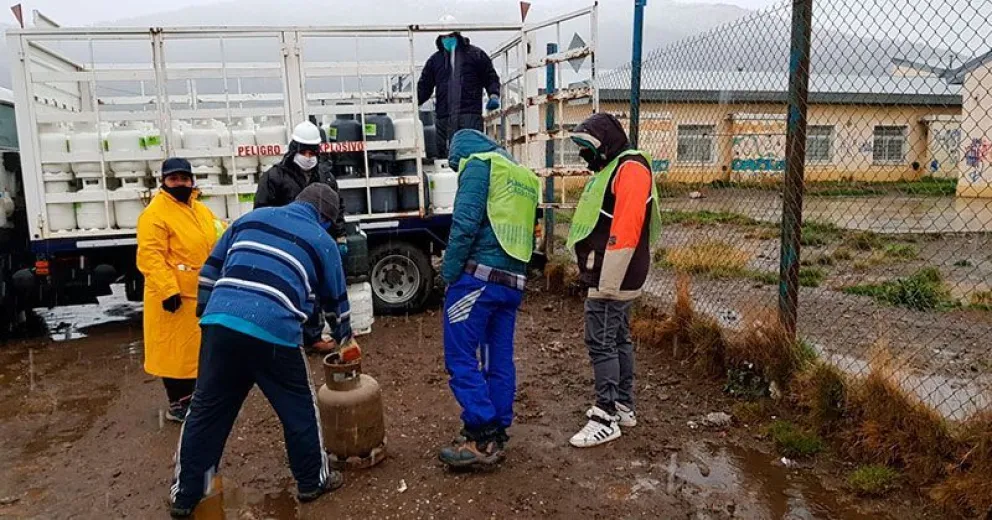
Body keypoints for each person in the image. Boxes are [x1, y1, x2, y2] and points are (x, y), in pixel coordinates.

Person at [169, 184, 351, 518]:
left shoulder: (251, 218)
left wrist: (211, 314)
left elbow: (210, 268)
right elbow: (335, 301)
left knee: (207, 411)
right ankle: (312, 481)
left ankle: (186, 496)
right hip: (274, 330)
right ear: (326, 218)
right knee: (298, 409)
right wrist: (345, 338)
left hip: (220, 324)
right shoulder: (323, 241)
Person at [437, 129, 540, 468]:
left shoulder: (478, 165)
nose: (458, 170)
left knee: (461, 355)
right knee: (498, 357)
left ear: (458, 153)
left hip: (478, 278)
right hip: (512, 280)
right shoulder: (521, 174)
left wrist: (449, 273)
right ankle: (497, 430)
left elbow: (464, 224)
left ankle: (481, 436)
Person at [565, 113, 662, 449]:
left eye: (587, 147)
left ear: (606, 142)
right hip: (613, 271)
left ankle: (605, 415)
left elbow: (626, 227)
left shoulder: (630, 168)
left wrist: (606, 282)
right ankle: (622, 405)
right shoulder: (617, 167)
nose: (584, 156)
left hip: (615, 273)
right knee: (617, 338)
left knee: (601, 340)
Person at [136, 157, 225, 423]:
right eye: (173, 179)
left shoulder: (200, 210)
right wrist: (167, 290)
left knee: (194, 351)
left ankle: (195, 399)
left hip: (198, 292)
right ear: (163, 181)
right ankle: (179, 404)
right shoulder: (154, 215)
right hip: (171, 296)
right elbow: (150, 256)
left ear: (191, 180)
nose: (180, 183)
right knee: (173, 354)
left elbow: (218, 234)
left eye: (184, 179)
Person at [255, 120, 348, 353]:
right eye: (303, 151)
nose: (308, 156)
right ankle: (287, 334)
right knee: (287, 288)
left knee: (314, 289)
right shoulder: (274, 177)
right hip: (285, 244)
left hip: (315, 243)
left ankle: (312, 336)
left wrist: (340, 236)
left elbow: (337, 207)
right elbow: (262, 210)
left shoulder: (325, 177)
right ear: (293, 149)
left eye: (312, 152)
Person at [417, 25, 501, 159]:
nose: (447, 40)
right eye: (444, 37)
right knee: (445, 155)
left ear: (457, 35)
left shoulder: (475, 55)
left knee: (471, 153)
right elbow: (424, 86)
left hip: (469, 114)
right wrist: (413, 102)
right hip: (444, 117)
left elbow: (490, 76)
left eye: (450, 36)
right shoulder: (435, 61)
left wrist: (494, 94)